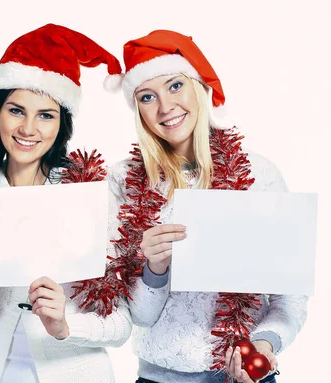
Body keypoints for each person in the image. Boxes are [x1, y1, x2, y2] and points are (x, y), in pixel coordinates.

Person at [0, 24, 133, 383]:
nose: (28, 128)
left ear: (62, 124)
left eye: (46, 115)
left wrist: (65, 325)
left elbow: (122, 324)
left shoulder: (89, 193)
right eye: (16, 110)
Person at [108, 29, 308, 383]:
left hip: (243, 372)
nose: (165, 107)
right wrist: (154, 268)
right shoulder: (125, 181)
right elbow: (138, 317)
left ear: (198, 87)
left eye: (174, 86)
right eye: (147, 96)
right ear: (137, 108)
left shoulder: (257, 174)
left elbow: (289, 297)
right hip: (158, 378)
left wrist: (264, 343)